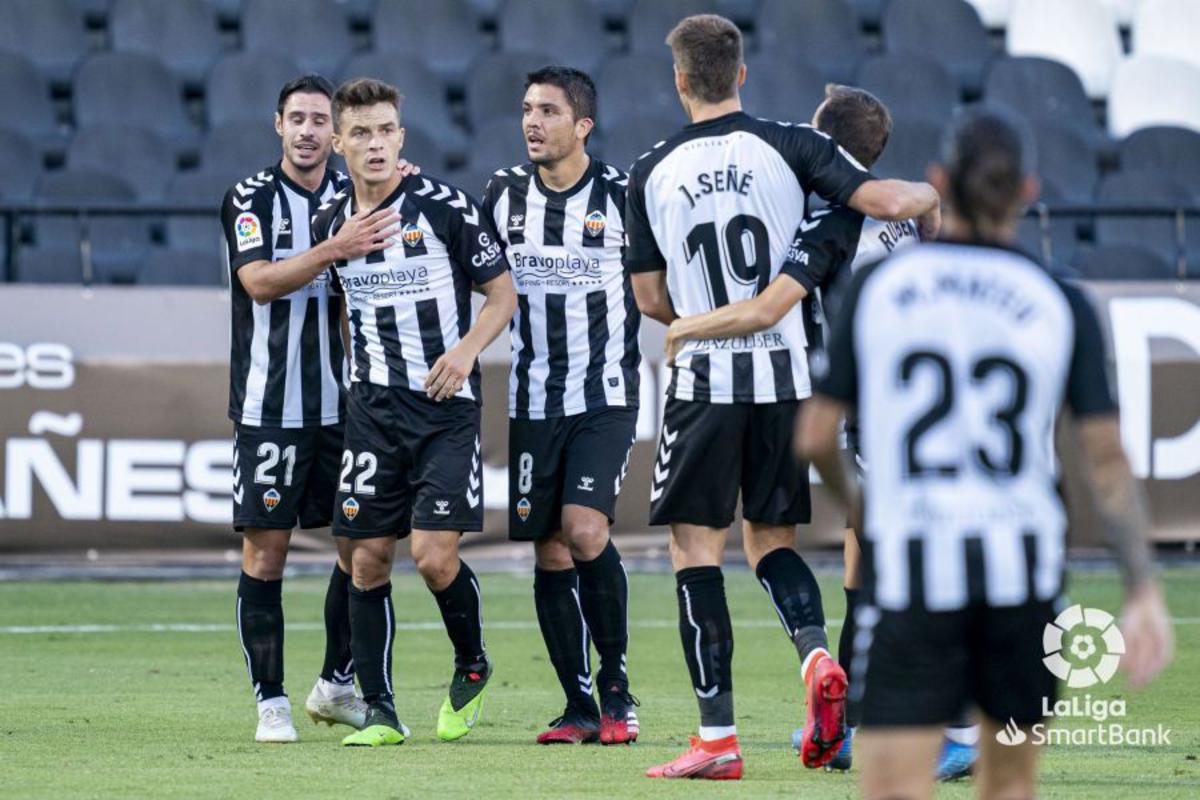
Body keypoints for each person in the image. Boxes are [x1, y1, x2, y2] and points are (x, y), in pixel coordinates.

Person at [796, 108, 1174, 800]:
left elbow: (816, 436)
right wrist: (1142, 588)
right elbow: (1107, 463)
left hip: (914, 573)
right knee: (1007, 788)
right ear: (1027, 192)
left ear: (939, 181)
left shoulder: (882, 290)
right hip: (1021, 580)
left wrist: (862, 510)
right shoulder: (1060, 301)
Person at [624, 14, 941, 779]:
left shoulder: (649, 170)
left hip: (704, 379)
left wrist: (696, 316)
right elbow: (886, 202)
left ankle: (717, 741)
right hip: (786, 379)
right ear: (741, 74)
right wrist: (935, 192)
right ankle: (816, 658)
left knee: (695, 548)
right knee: (773, 543)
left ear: (677, 81)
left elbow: (649, 296)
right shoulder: (793, 150)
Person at [311, 78, 517, 748]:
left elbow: (502, 295)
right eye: (361, 133)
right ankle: (380, 711)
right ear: (339, 143)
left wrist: (464, 353)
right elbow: (342, 307)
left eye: (386, 130)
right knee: (366, 561)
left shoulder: (443, 206)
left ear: (402, 137)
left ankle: (472, 661)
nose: (375, 144)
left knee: (431, 557)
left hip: (444, 408)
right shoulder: (330, 223)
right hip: (372, 411)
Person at [220, 74, 408, 743]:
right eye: (295, 118)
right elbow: (259, 282)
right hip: (270, 406)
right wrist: (334, 248)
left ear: (336, 132)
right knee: (266, 554)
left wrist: (396, 189)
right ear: (277, 125)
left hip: (347, 408)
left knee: (361, 548)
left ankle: (334, 683)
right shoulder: (250, 198)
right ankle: (270, 700)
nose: (306, 130)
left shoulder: (353, 196)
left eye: (318, 120)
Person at [483, 66, 641, 745]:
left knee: (584, 530)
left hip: (603, 394)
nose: (532, 121)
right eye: (526, 109)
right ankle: (577, 705)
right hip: (531, 399)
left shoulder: (621, 196)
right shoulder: (501, 194)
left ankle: (616, 687)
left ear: (583, 125)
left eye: (548, 110)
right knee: (548, 550)